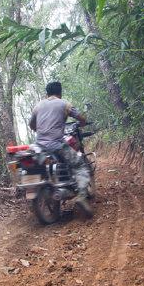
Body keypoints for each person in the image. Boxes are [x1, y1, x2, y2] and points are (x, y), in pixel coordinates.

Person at [29, 81, 93, 217]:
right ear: (60, 92)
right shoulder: (65, 104)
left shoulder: (38, 106)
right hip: (56, 146)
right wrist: (83, 123)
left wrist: (38, 130)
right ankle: (81, 195)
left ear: (47, 93)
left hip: (39, 147)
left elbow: (31, 124)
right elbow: (81, 119)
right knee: (80, 165)